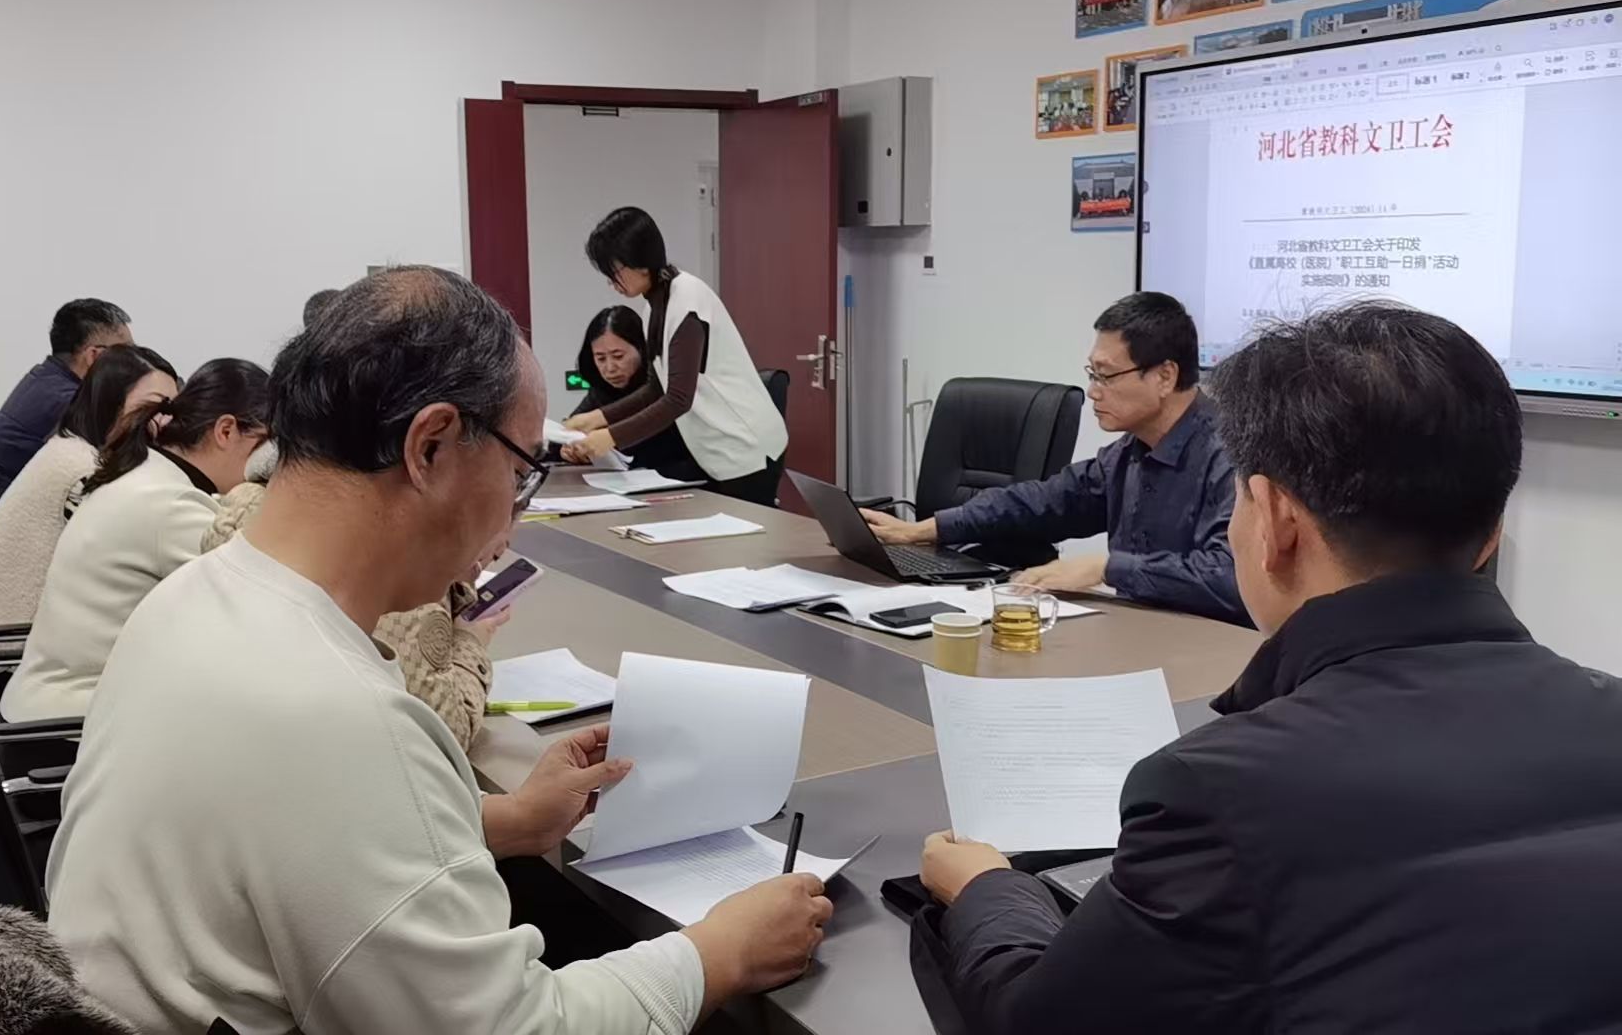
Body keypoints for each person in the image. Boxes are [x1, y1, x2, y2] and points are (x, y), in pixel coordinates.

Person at [46, 267, 833, 1034]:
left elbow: (308, 852)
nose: (514, 518)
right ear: (431, 446)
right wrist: (721, 953)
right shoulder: (334, 716)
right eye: (521, 471)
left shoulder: (188, 601)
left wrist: (506, 821)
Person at [913, 302, 1622, 1033]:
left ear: (1275, 521)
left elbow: (1039, 1021)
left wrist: (988, 888)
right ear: (1491, 533)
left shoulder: (1220, 788)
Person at [861, 292, 1247, 624]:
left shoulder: (1233, 456)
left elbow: (1230, 576)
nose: (1093, 391)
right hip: (1138, 632)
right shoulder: (1129, 452)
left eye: (1106, 376)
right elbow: (1043, 502)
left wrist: (1105, 568)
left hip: (1210, 648)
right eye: (1092, 373)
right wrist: (927, 530)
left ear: (1164, 376)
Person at [0, 358, 269, 722]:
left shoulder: (143, 472)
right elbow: (260, 601)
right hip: (74, 720)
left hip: (46, 703)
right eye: (267, 447)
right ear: (226, 431)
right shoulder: (170, 504)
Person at [199, 454, 514, 752]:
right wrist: (469, 642)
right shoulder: (402, 567)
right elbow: (440, 733)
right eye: (518, 475)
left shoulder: (251, 504)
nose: (502, 547)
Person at [0, 345, 178, 635]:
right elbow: (131, 559)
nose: (165, 422)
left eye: (172, 410)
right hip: (4, 643)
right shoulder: (84, 472)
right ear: (111, 401)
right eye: (154, 407)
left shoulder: (68, 447)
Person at [563, 207, 788, 505]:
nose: (611, 282)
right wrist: (595, 419)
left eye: (614, 272)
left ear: (641, 262)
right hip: (718, 449)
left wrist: (610, 437)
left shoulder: (687, 301)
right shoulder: (654, 306)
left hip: (746, 446)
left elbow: (678, 399)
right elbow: (656, 388)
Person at [0, 298, 134, 558]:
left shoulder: (46, 381)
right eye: (128, 355)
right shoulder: (65, 403)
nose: (135, 366)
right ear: (94, 357)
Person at [570, 305, 699, 479]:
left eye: (618, 356)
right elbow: (573, 428)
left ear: (641, 349)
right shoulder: (601, 390)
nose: (610, 368)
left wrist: (607, 439)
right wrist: (571, 450)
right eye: (600, 358)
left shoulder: (663, 387)